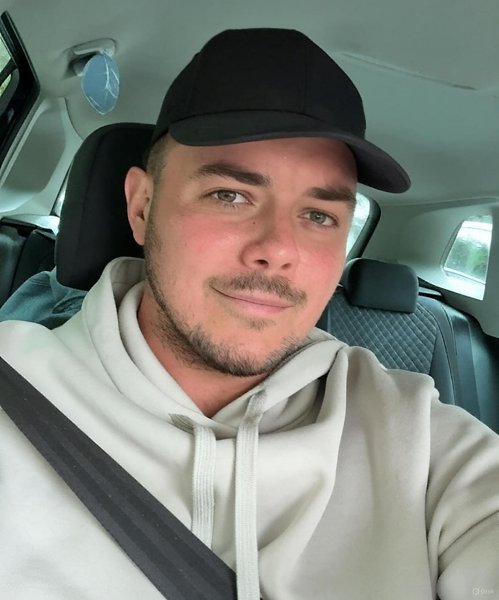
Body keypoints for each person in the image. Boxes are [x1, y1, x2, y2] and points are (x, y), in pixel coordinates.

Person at [0, 27, 497, 600]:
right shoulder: (15, 386)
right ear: (142, 207)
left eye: (319, 216)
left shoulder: (421, 440)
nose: (278, 249)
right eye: (230, 195)